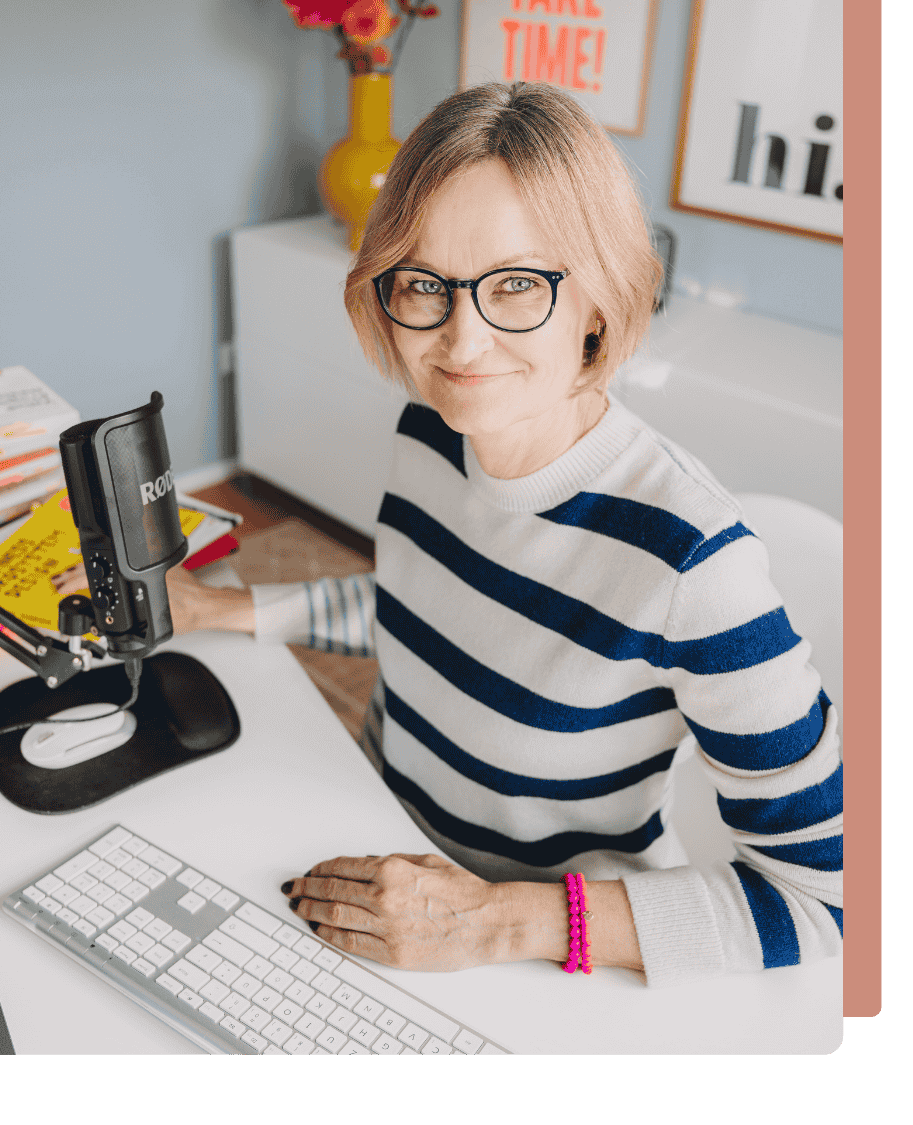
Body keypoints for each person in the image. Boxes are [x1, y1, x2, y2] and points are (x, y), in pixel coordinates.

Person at [55, 81, 842, 988]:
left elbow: (831, 897)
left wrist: (498, 923)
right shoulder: (435, 431)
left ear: (600, 296)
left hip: (552, 950)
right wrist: (225, 608)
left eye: (516, 284)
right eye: (426, 283)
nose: (462, 342)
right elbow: (428, 601)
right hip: (383, 843)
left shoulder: (694, 564)